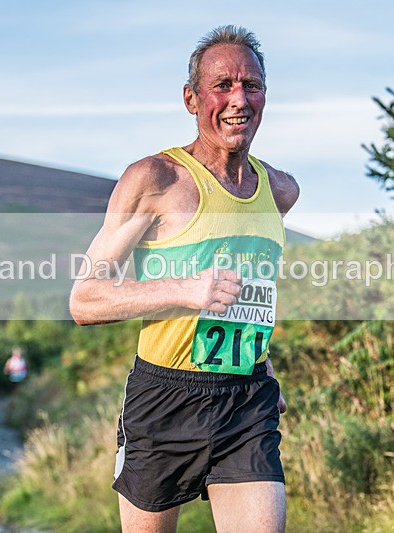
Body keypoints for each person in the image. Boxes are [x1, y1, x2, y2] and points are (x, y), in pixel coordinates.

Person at [70, 25, 299, 533]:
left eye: (251, 85)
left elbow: (252, 292)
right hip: (164, 399)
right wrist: (184, 290)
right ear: (191, 99)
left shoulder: (280, 191)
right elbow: (84, 300)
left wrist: (259, 361)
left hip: (246, 400)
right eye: (222, 85)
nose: (238, 99)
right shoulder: (155, 179)